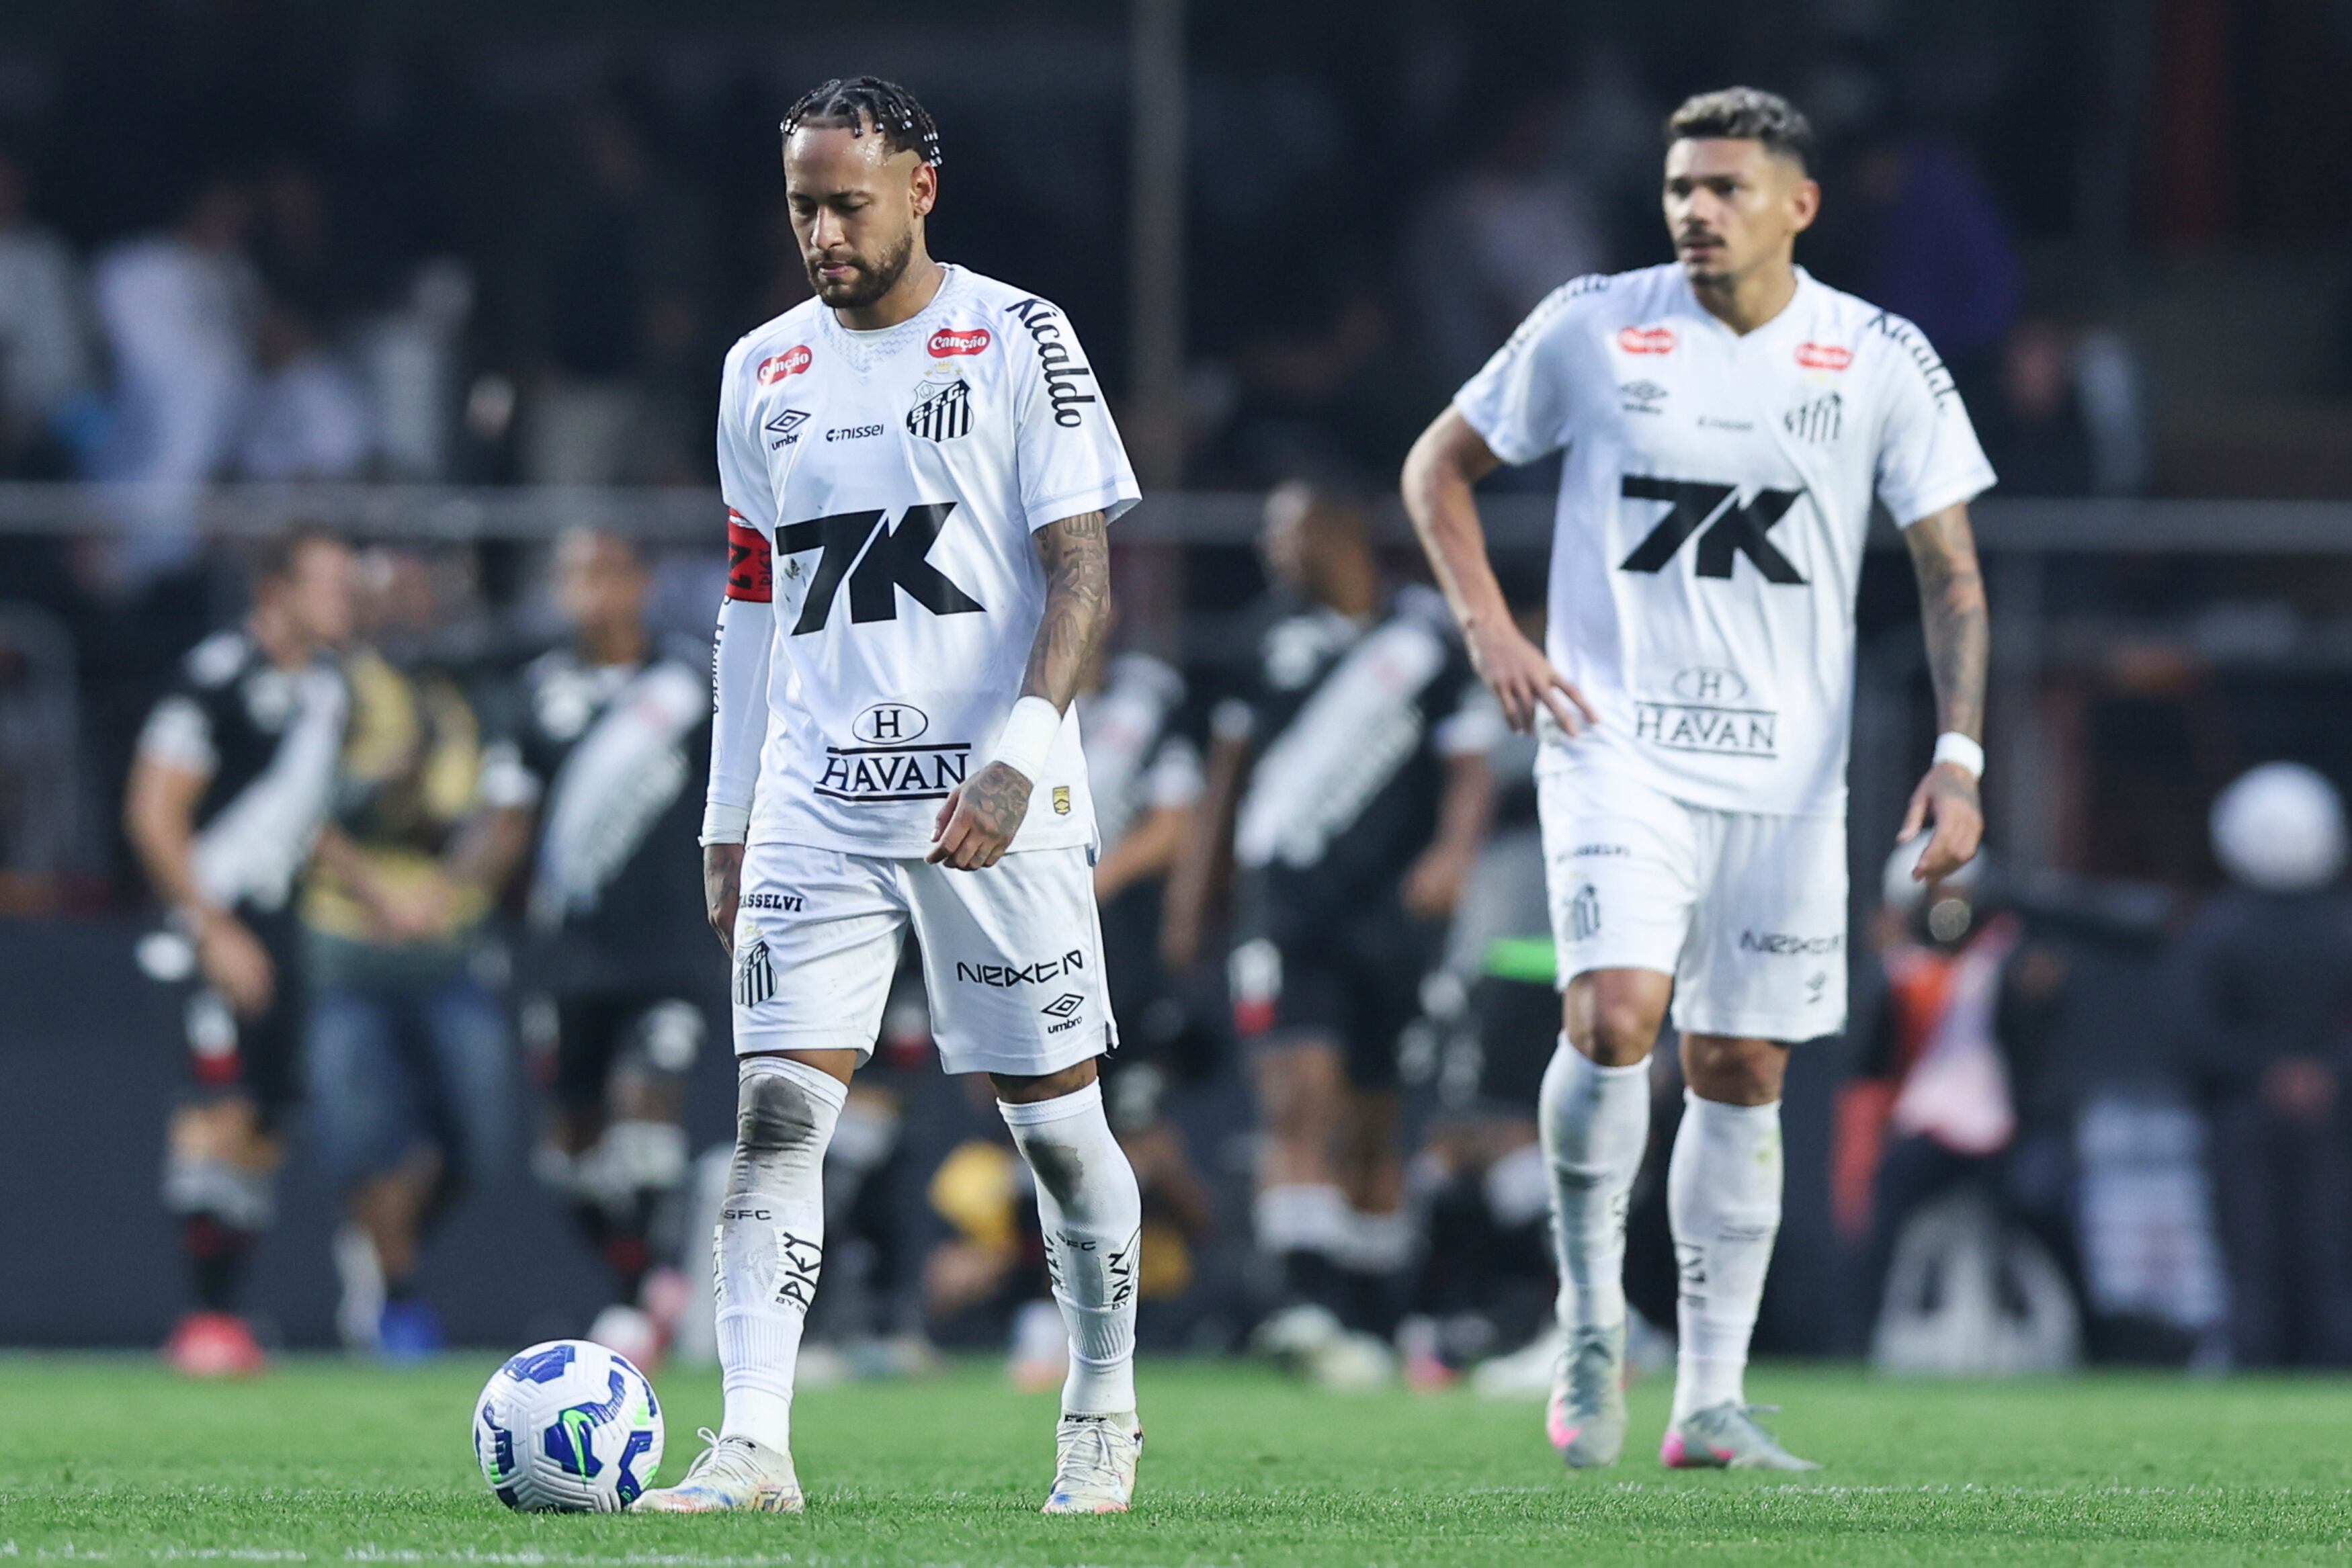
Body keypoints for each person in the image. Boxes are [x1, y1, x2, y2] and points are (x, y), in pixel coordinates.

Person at [1400, 86, 1992, 1470]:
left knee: (1739, 1065)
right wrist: (1492, 630)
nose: (1696, 211)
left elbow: (1952, 571)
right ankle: (1589, 1326)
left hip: (1789, 774)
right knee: (1614, 1016)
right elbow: (1438, 466)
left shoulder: (1877, 355)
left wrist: (1959, 759)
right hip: (1617, 747)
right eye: (1681, 188)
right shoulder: (1596, 325)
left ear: (1800, 205)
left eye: (1726, 188)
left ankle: (1710, 1398)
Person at [636, 77, 1144, 1516]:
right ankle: (753, 1445)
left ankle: (1101, 1405)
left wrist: (1020, 755)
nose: (822, 234)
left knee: (1055, 1130)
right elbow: (753, 602)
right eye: (802, 206)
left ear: (921, 186)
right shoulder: (760, 370)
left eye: (847, 204)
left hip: (993, 801)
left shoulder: (1020, 334)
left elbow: (1083, 573)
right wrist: (727, 816)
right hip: (817, 801)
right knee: (776, 1113)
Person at [1163, 481, 1499, 1378]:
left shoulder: (1425, 641)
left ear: (1342, 534)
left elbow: (1470, 762)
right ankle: (1304, 1300)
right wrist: (1196, 903)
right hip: (1286, 904)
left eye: (1289, 531)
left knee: (1376, 1114)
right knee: (1295, 1092)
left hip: (1390, 911)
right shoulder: (1265, 641)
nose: (1272, 549)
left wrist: (1453, 854)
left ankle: (1372, 1305)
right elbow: (1226, 780)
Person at [124, 530, 353, 1375]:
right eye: (329, 583)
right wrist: (212, 928)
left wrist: (381, 898)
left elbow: (304, 822)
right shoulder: (214, 676)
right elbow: (153, 811)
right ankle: (202, 1318)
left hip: (283, 927)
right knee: (213, 1108)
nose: (345, 600)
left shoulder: (328, 689)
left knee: (264, 1122)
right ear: (276, 590)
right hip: (209, 925)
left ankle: (228, 1313)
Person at [302, 549, 530, 1359]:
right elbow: (298, 807)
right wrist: (380, 894)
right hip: (348, 940)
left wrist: (443, 891)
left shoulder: (469, 695)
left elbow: (506, 811)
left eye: (413, 595)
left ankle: (381, 1251)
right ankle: (397, 1295)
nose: (404, 611)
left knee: (477, 1137)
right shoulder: (330, 690)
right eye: (385, 597)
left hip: (451, 939)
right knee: (366, 1133)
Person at [506, 528, 716, 1360]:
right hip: (570, 954)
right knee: (569, 1146)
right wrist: (447, 894)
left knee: (648, 1095)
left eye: (600, 574)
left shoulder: (694, 682)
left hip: (670, 946)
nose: (585, 593)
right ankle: (643, 1272)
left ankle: (637, 1296)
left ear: (639, 582)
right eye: (570, 577)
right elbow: (507, 815)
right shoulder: (538, 692)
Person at [2175, 763, 2352, 1367]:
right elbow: (2193, 1032)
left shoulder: (2214, 930)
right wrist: (2316, 1075)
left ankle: (2301, 1355)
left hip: (2270, 1112)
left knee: (2307, 1244)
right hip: (2283, 1113)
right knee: (2282, 1245)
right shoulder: (2333, 929)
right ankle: (2280, 1354)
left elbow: (2193, 1032)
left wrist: (2281, 1075)